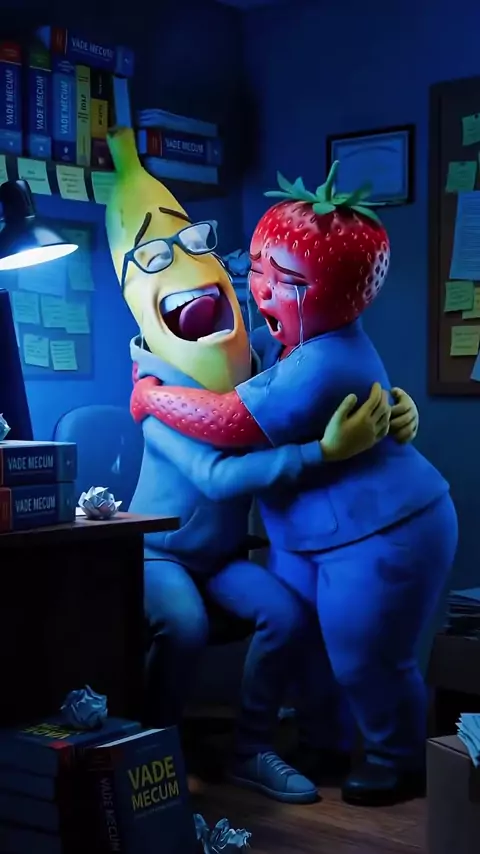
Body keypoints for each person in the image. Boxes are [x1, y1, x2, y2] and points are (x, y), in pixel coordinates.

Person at [130, 163, 457, 806]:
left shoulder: (284, 359)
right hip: (228, 545)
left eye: (286, 281)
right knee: (307, 644)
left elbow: (232, 419)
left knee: (360, 652)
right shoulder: (262, 351)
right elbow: (223, 453)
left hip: (375, 530)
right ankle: (171, 748)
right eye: (256, 270)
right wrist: (149, 394)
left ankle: (387, 758)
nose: (259, 292)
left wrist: (152, 397)